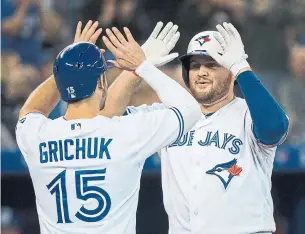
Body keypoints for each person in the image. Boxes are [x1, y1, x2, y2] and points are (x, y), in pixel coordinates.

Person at [15, 20, 201, 234]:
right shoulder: (126, 132)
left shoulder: (37, 136)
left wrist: (69, 64)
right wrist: (143, 67)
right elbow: (190, 109)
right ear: (102, 83)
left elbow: (32, 108)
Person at [104, 22, 289, 234]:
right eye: (194, 65)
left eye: (212, 65)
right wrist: (136, 68)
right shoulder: (170, 117)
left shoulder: (249, 113)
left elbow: (275, 129)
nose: (201, 72)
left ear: (231, 72)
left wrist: (241, 66)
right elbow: (108, 117)